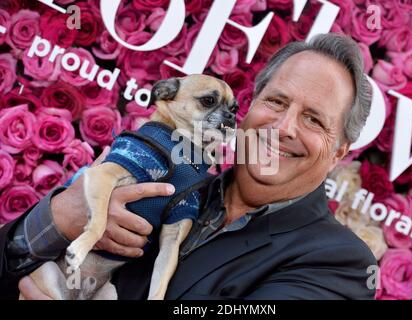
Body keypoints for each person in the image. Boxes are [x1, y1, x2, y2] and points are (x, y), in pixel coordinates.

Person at [0, 33, 377, 300]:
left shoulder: (338, 264)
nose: (283, 128)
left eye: (314, 119)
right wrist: (63, 218)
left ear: (339, 151)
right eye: (276, 102)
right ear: (249, 108)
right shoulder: (177, 180)